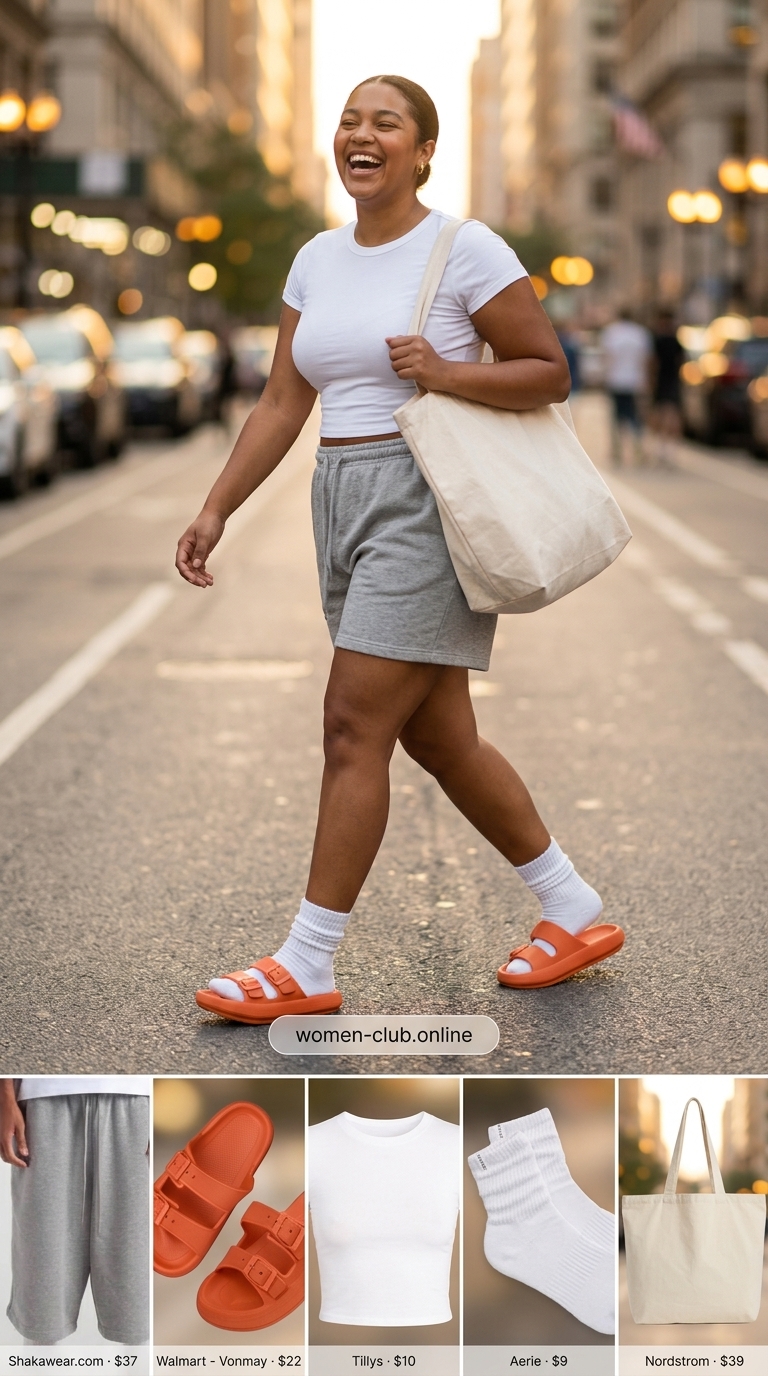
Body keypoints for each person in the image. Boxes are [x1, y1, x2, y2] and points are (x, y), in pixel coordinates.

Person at [176, 74, 624, 1022]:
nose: (361, 135)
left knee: (351, 725)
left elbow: (549, 371)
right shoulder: (315, 261)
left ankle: (309, 962)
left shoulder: (464, 249)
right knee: (438, 734)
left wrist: (447, 371)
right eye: (349, 121)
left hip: (426, 496)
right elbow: (284, 400)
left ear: (423, 151)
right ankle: (571, 907)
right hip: (340, 500)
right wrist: (216, 506)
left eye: (386, 123)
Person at [0, 1077, 150, 1346]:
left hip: (135, 1101)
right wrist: (4, 1096)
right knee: (42, 1306)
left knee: (138, 1310)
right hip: (44, 1104)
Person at [601, 308, 653, 464]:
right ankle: (638, 448)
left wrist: (606, 377)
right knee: (634, 416)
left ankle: (617, 450)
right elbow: (645, 359)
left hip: (616, 379)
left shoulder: (611, 332)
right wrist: (647, 380)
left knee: (616, 416)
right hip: (634, 380)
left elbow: (608, 357)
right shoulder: (641, 333)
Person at [650, 309, 684, 463]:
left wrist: (651, 381)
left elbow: (653, 363)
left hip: (665, 382)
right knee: (669, 415)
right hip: (670, 382)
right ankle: (666, 449)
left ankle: (665, 448)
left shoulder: (660, 341)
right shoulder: (675, 341)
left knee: (666, 415)